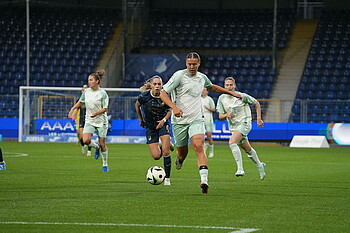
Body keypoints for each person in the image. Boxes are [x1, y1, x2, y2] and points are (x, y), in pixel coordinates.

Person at [159, 52, 242, 194]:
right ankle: (180, 160)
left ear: (199, 64)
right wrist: (174, 107)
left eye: (194, 64)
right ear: (186, 64)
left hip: (196, 119)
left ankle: (204, 181)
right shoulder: (179, 75)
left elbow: (213, 87)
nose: (192, 66)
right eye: (189, 64)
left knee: (198, 145)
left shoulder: (202, 77)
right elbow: (163, 93)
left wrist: (232, 93)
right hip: (179, 121)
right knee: (182, 153)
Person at [216, 77, 266, 180]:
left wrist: (259, 119)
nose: (229, 87)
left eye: (231, 85)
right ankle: (260, 166)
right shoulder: (222, 98)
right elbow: (220, 115)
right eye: (227, 85)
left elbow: (256, 103)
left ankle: (240, 169)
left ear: (234, 86)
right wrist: (226, 114)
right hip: (234, 127)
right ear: (224, 86)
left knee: (232, 142)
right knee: (248, 149)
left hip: (245, 123)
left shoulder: (241, 96)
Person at [68, 69, 110, 172]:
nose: (89, 82)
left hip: (101, 121)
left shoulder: (103, 93)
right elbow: (80, 102)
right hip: (89, 120)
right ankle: (96, 148)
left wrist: (96, 113)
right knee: (85, 140)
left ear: (97, 81)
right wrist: (73, 109)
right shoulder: (86, 92)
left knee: (102, 144)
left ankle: (105, 164)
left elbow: (105, 108)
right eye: (88, 80)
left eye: (91, 80)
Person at [135, 75, 173, 186]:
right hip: (150, 126)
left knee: (166, 152)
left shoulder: (165, 96)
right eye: (155, 84)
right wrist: (141, 119)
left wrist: (163, 120)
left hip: (163, 124)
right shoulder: (144, 96)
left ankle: (168, 179)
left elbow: (170, 110)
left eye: (159, 84)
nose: (157, 86)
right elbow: (137, 106)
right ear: (151, 85)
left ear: (162, 85)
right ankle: (165, 145)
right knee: (156, 156)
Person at [72, 85, 92, 156]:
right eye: (83, 90)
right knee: (81, 136)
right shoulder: (79, 100)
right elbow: (76, 108)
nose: (84, 91)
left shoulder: (91, 99)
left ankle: (89, 151)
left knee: (88, 137)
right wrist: (73, 114)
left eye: (85, 90)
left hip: (89, 119)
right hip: (82, 119)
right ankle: (83, 147)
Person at [201, 88, 216, 158]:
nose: (203, 92)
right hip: (200, 118)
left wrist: (208, 109)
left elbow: (214, 109)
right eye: (202, 90)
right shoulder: (198, 99)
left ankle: (211, 151)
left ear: (207, 91)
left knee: (209, 136)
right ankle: (203, 150)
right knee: (201, 136)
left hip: (208, 118)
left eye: (204, 90)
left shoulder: (209, 99)